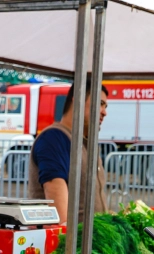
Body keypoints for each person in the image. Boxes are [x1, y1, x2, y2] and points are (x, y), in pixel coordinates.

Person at [27, 76, 109, 224]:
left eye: (105, 107)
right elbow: (61, 219)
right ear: (78, 99)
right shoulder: (54, 138)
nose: (104, 112)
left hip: (94, 241)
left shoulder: (86, 142)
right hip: (71, 244)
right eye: (100, 104)